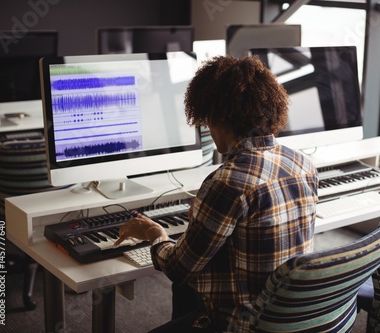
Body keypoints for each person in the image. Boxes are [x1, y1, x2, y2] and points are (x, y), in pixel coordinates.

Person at [114, 55, 319, 332]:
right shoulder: (302, 162)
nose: (208, 129)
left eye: (208, 121)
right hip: (290, 313)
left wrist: (155, 234)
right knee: (188, 290)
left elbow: (178, 269)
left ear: (221, 118)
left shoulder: (226, 183)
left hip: (244, 324)